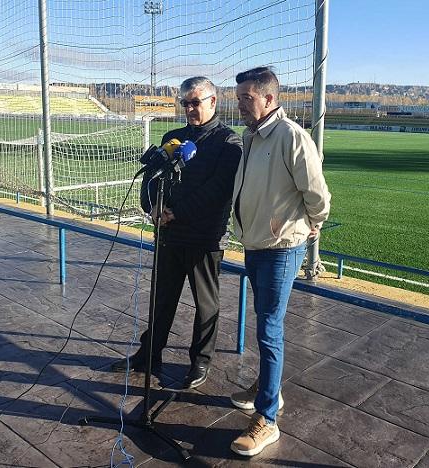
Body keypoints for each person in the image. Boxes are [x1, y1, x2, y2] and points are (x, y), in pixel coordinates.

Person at [110, 77, 242, 390]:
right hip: (168, 233)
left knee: (205, 304)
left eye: (195, 102)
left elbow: (218, 192)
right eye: (185, 102)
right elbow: (153, 179)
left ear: (213, 101)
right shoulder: (174, 137)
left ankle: (200, 362)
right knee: (162, 298)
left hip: (204, 237)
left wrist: (176, 212)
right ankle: (149, 354)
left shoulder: (228, 143)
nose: (189, 108)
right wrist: (152, 207)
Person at [228, 67, 331, 456]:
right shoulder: (252, 136)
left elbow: (317, 194)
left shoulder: (291, 137)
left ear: (269, 99)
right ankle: (269, 388)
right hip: (255, 243)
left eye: (246, 98)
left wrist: (310, 227)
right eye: (238, 97)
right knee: (264, 324)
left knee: (269, 328)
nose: (238, 104)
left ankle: (267, 418)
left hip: (281, 247)